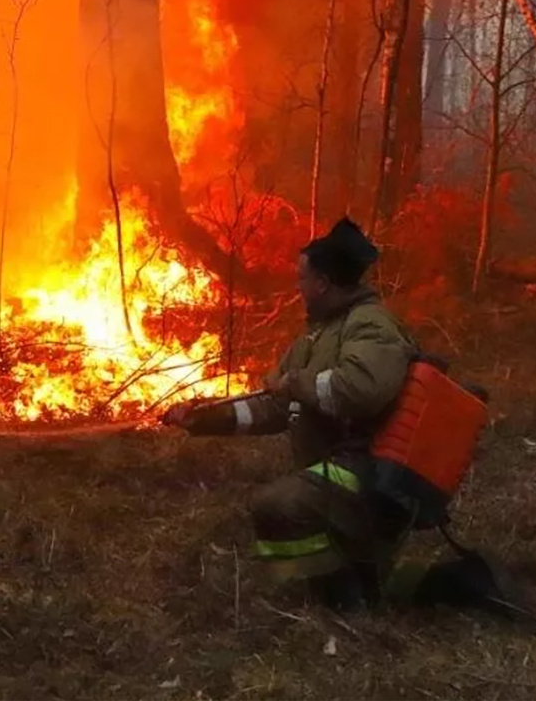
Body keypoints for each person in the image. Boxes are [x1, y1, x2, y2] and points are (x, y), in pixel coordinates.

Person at [164, 217, 418, 610]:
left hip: (368, 468)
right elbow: (274, 405)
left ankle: (344, 602)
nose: (297, 287)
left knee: (278, 504)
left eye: (302, 278)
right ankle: (346, 581)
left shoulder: (371, 325)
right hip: (336, 465)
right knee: (283, 505)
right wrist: (209, 419)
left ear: (323, 283)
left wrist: (299, 383)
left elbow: (361, 391)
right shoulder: (318, 335)